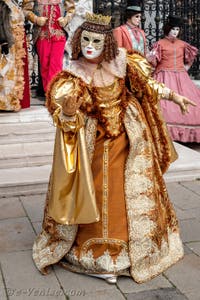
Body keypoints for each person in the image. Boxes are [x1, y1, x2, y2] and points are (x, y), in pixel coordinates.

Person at [32, 12, 196, 284]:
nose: (89, 46)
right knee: (93, 188)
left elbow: (148, 85)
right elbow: (62, 110)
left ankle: (125, 251)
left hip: (127, 138)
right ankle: (95, 252)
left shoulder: (123, 63)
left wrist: (174, 95)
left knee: (124, 190)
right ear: (78, 41)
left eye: (96, 42)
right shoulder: (72, 75)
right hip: (91, 143)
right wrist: (70, 113)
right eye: (85, 40)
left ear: (106, 43)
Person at [148, 15, 200, 142]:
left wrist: (185, 68)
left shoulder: (182, 44)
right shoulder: (159, 44)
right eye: (173, 29)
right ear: (168, 29)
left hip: (182, 77)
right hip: (164, 76)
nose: (175, 32)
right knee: (165, 106)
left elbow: (191, 57)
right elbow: (152, 62)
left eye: (177, 30)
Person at [22, 0, 75, 93]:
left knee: (56, 65)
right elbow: (26, 9)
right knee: (44, 65)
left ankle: (54, 95)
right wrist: (36, 19)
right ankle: (49, 95)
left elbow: (71, 9)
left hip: (59, 33)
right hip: (41, 34)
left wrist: (66, 19)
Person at [0, 0, 30, 111]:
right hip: (9, 41)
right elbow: (1, 23)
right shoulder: (3, 3)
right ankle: (5, 103)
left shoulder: (14, 2)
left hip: (17, 42)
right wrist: (3, 41)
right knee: (6, 72)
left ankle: (12, 101)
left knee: (14, 72)